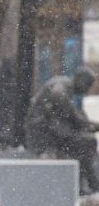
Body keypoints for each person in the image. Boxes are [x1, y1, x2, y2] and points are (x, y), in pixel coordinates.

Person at [25, 67, 99, 195]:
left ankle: (87, 184)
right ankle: (88, 184)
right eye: (88, 85)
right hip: (44, 134)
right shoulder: (62, 86)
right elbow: (67, 111)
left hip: (51, 130)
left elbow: (73, 116)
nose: (87, 90)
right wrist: (83, 123)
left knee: (85, 142)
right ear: (82, 81)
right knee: (86, 143)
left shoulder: (66, 88)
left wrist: (87, 124)